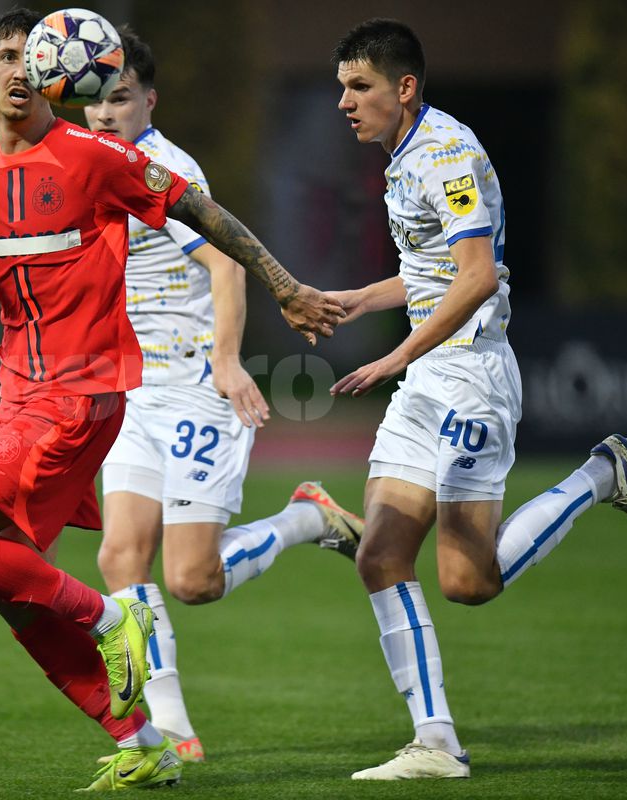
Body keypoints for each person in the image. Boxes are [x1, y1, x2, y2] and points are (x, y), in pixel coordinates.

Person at [0, 8, 344, 792]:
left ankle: (117, 617)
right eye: (3, 57)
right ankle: (141, 736)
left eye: (29, 58)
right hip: (18, 401)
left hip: (80, 399)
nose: (17, 70)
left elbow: (204, 216)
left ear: (54, 73)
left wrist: (283, 286)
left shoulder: (95, 156)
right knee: (9, 585)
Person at [324, 19, 627, 781]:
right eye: (342, 88)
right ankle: (436, 741)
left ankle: (600, 475)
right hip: (429, 376)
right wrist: (357, 300)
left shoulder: (446, 153)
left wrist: (396, 352)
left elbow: (479, 277)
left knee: (468, 582)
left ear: (405, 87)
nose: (346, 102)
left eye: (360, 87)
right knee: (381, 555)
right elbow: (434, 272)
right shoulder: (403, 155)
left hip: (470, 376)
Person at [82, 27, 365, 764]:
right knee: (121, 558)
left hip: (196, 388)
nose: (104, 114)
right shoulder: (91, 164)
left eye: (119, 98)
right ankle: (175, 731)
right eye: (94, 101)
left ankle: (308, 519)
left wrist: (228, 362)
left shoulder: (165, 171)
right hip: (134, 391)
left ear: (150, 98)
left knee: (193, 581)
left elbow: (228, 267)